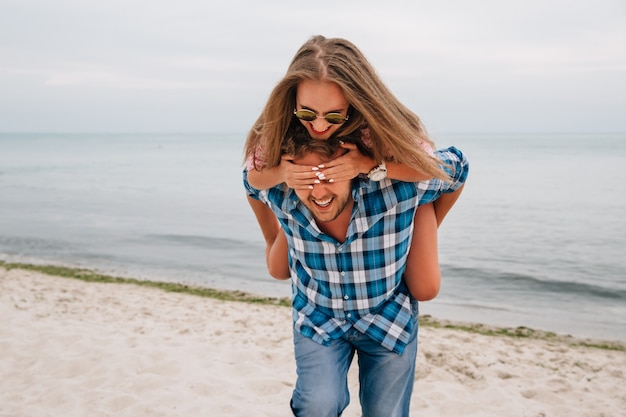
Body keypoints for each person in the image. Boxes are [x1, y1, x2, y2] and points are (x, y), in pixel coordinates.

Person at [244, 134, 468, 417]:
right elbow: (249, 182)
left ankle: (420, 209)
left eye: (329, 178)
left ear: (352, 171)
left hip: (387, 316)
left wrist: (429, 223)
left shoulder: (391, 191)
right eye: (307, 180)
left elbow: (457, 168)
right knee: (317, 405)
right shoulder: (284, 191)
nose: (319, 192)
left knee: (385, 412)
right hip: (320, 316)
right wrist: (269, 235)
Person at [243, 35, 464, 301]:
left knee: (426, 289)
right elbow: (252, 178)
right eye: (307, 114)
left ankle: (415, 220)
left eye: (334, 115)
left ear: (355, 102)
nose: (320, 126)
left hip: (391, 187)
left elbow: (428, 167)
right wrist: (283, 174)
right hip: (309, 203)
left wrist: (370, 165)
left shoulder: (372, 127)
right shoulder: (280, 123)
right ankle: (274, 240)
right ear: (293, 101)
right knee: (277, 270)